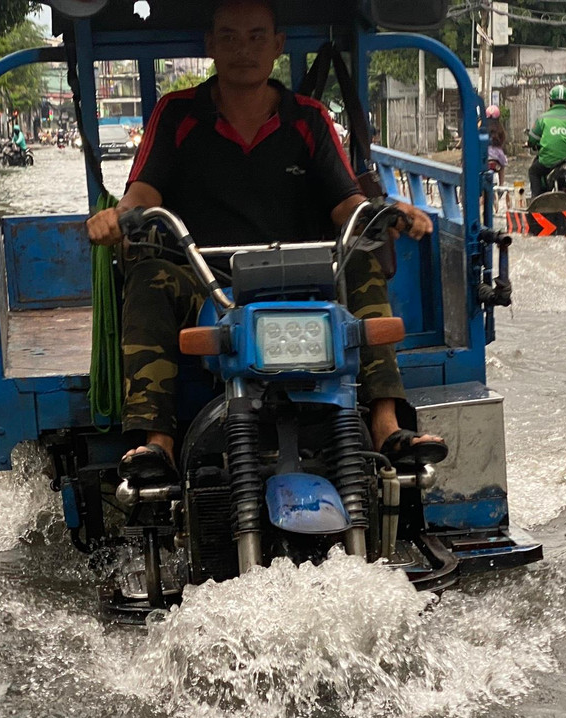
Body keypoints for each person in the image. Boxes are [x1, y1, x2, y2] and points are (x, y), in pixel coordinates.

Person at [85, 0, 445, 482]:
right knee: (149, 276)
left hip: (298, 279)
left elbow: (346, 204)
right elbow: (144, 191)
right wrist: (119, 216)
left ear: (277, 46)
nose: (243, 49)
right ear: (210, 46)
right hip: (204, 279)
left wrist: (384, 213)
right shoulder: (177, 114)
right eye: (229, 37)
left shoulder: (308, 118)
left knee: (361, 261)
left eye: (257, 37)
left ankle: (386, 426)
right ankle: (157, 444)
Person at [525, 84, 566, 192]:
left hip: (548, 161)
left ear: (551, 101)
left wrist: (530, 143)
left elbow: (533, 139)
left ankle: (537, 200)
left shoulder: (543, 118)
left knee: (533, 171)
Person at [483, 104, 508, 179]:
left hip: (484, 155)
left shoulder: (482, 127)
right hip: (497, 156)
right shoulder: (500, 129)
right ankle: (502, 184)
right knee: (502, 167)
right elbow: (502, 141)